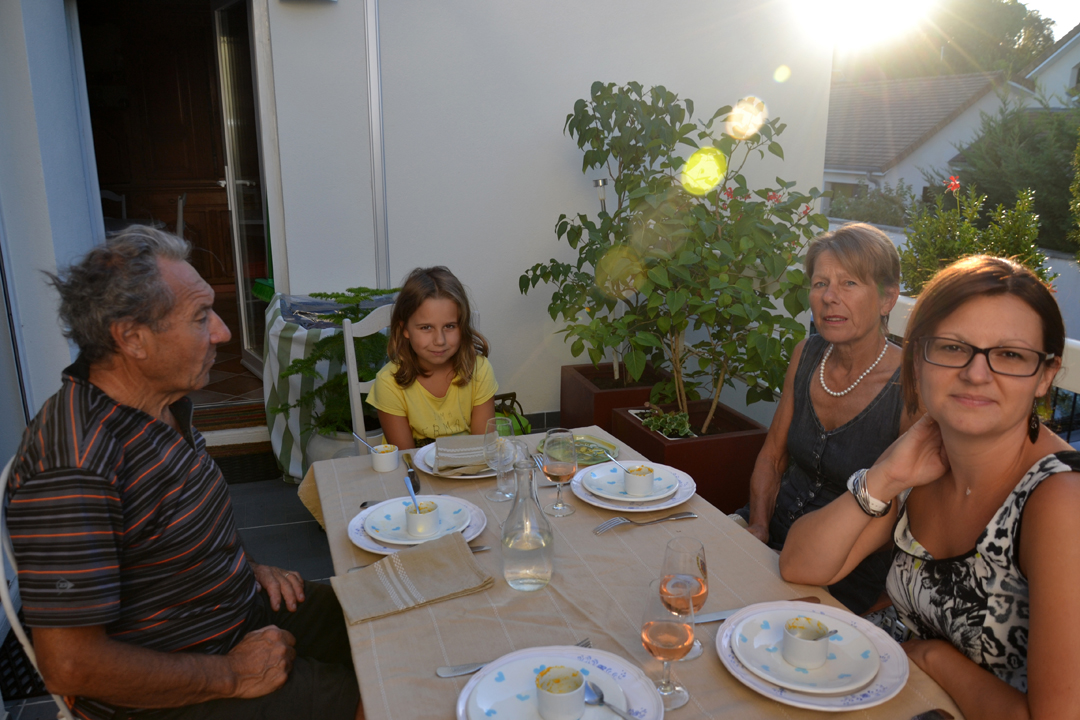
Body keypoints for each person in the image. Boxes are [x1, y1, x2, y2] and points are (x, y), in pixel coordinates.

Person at [5, 227, 361, 720]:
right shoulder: (75, 465)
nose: (222, 332)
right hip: (175, 685)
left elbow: (180, 523)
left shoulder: (160, 403)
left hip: (235, 610)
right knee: (390, 700)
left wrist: (245, 566)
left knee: (389, 621)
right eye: (200, 317)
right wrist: (233, 674)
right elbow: (70, 666)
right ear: (132, 338)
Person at [780, 256, 1079, 718]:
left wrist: (931, 655)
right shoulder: (927, 459)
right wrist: (886, 477)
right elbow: (800, 564)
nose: (976, 373)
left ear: (1045, 376)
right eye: (953, 348)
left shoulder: (1061, 501)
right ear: (917, 359)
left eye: (1010, 355)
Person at [737, 223, 918, 614]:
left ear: (888, 298)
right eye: (820, 284)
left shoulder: (911, 384)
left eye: (849, 283)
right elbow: (772, 456)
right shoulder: (807, 353)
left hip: (845, 566)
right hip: (770, 530)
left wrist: (812, 567)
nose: (830, 297)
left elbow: (904, 515)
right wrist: (758, 527)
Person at [367, 266, 497, 449]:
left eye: (450, 326)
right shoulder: (389, 383)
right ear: (405, 329)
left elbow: (483, 447)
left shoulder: (479, 370)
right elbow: (407, 458)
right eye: (426, 327)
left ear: (462, 326)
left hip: (469, 466)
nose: (440, 340)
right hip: (413, 467)